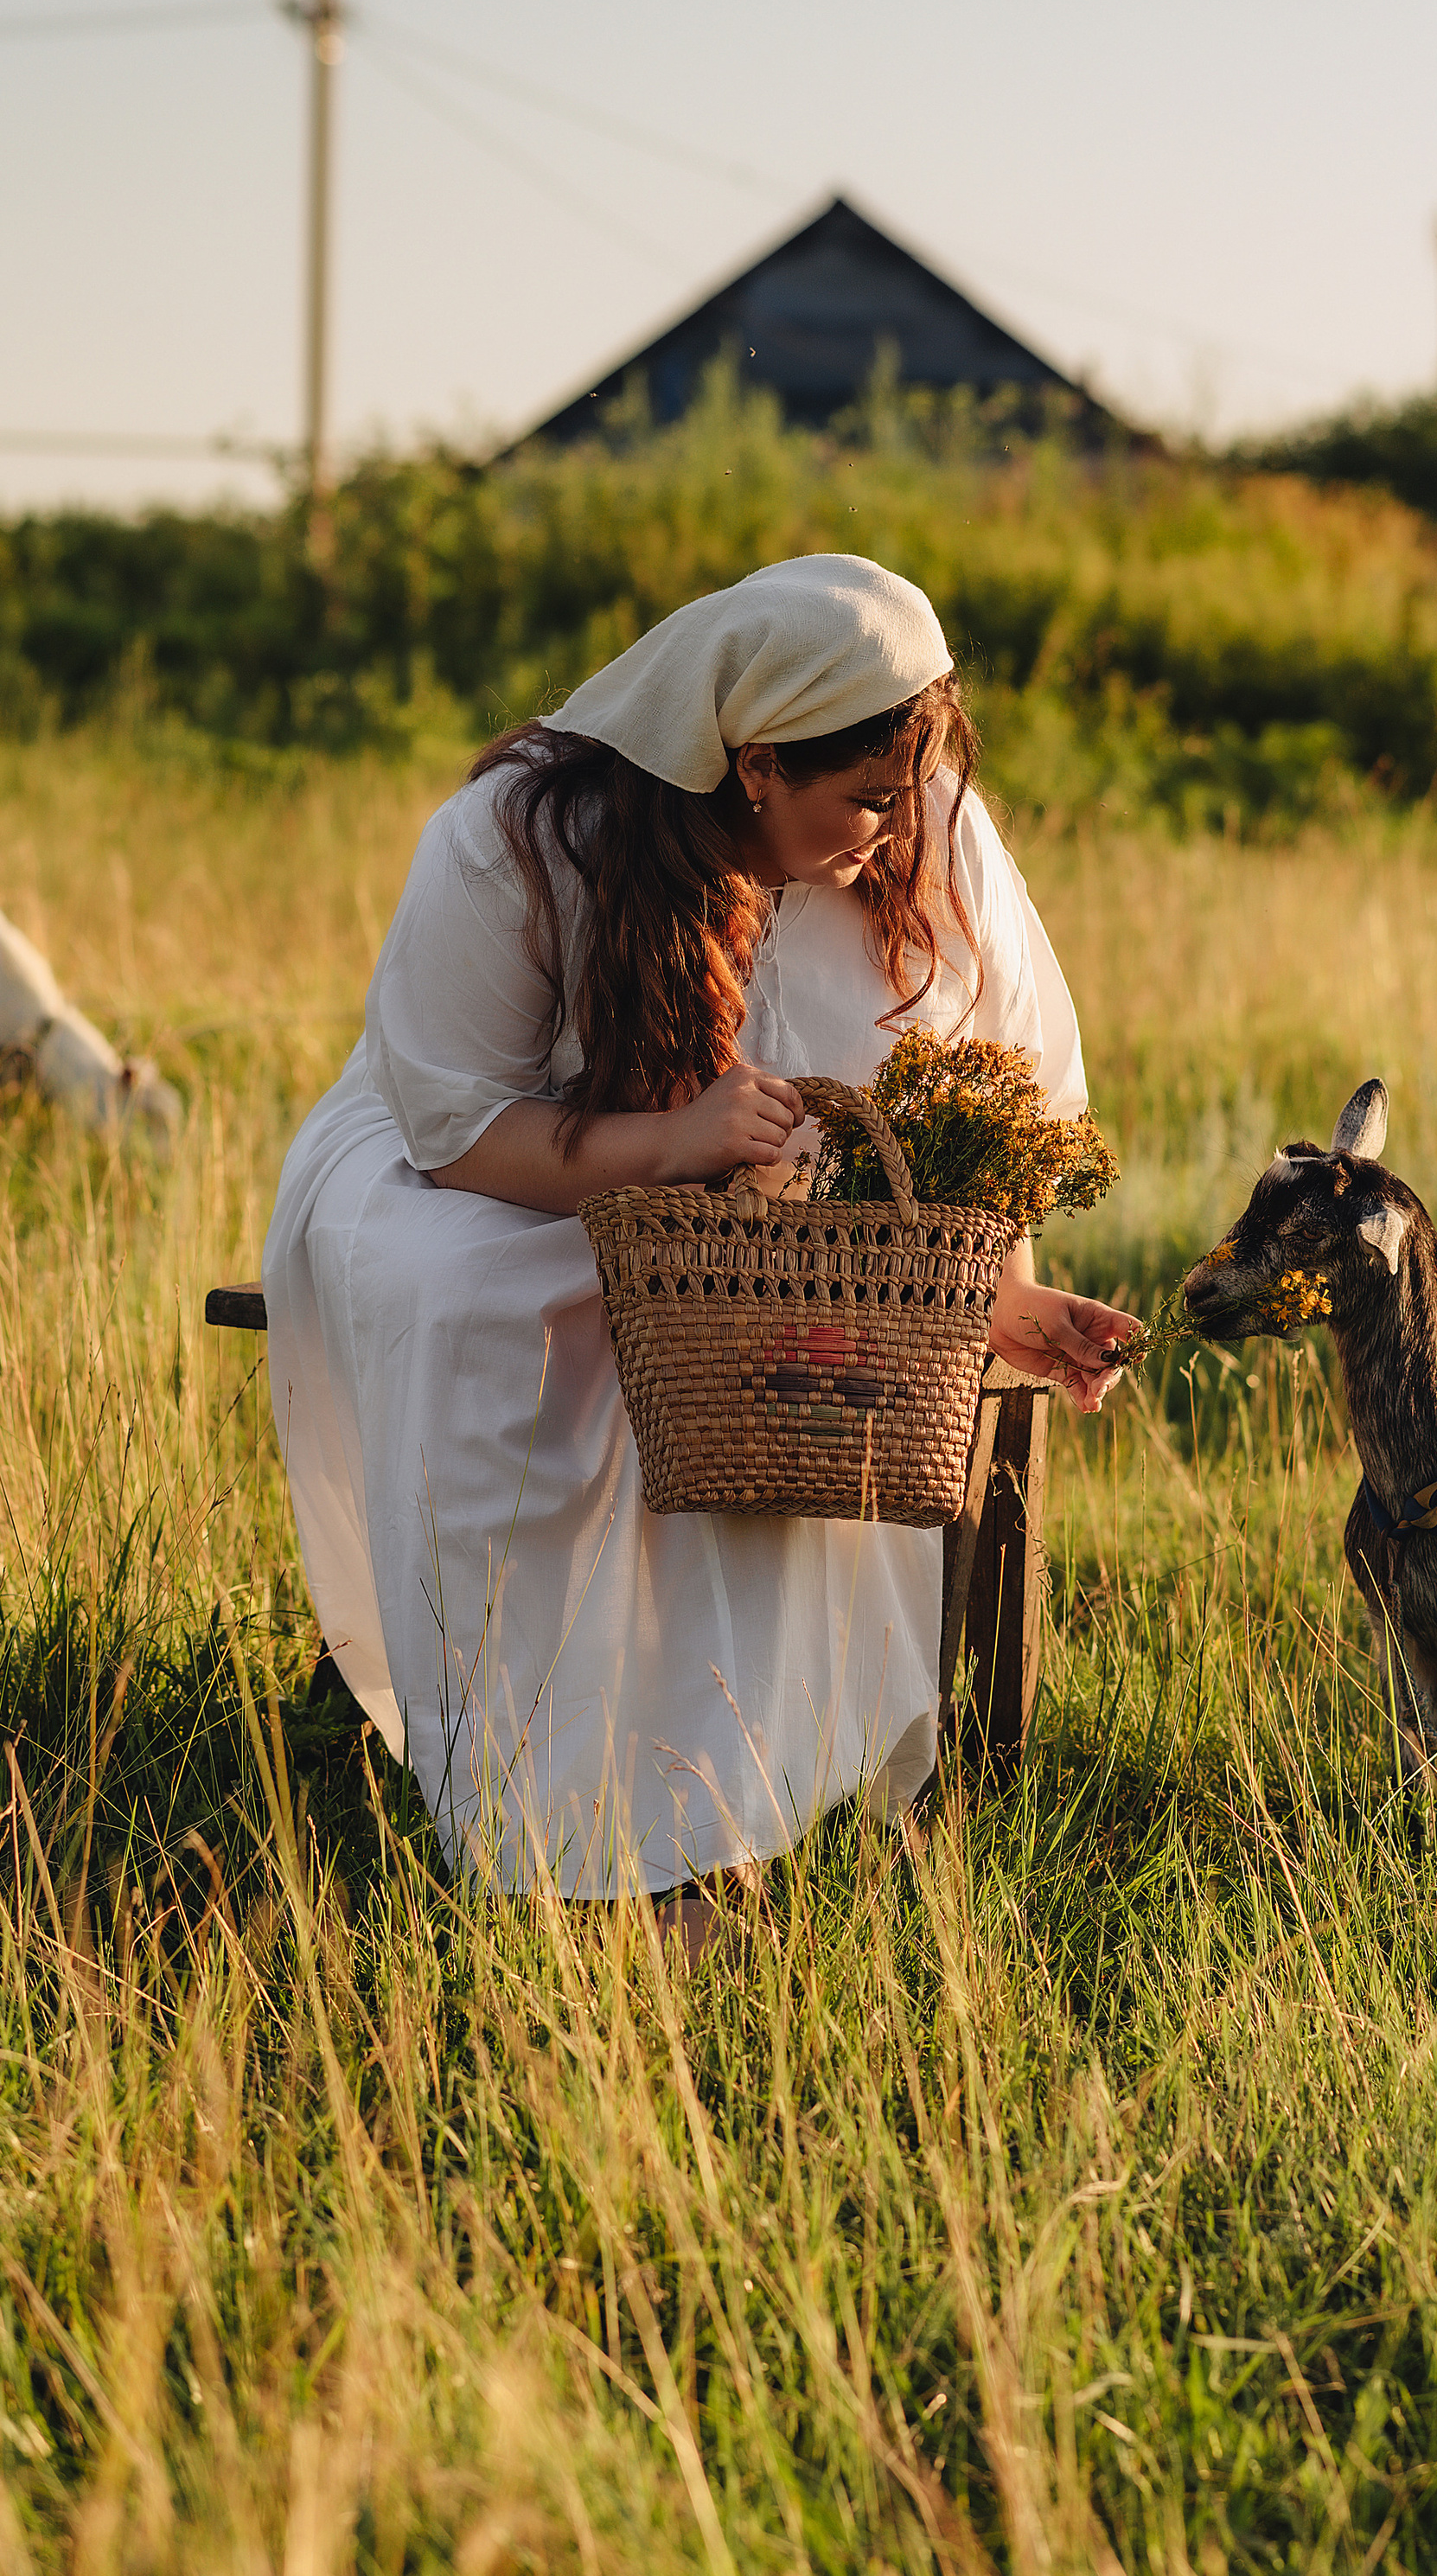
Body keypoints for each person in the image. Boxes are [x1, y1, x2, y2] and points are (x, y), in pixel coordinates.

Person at [262, 552, 1131, 1916]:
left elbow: (1002, 1075)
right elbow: (457, 1127)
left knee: (780, 1331)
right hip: (509, 1173)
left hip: (783, 1211)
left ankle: (740, 1801)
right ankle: (575, 1818)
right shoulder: (519, 840)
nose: (888, 833)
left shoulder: (920, 823)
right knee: (537, 1314)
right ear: (752, 768)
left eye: (904, 797)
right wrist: (670, 1148)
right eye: (857, 801)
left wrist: (999, 1292)